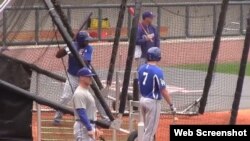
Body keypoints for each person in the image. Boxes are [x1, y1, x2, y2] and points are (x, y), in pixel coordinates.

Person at [53, 31, 106, 125]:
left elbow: (85, 62)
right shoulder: (72, 45)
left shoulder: (89, 48)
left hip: (86, 76)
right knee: (66, 97)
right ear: (80, 40)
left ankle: (105, 118)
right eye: (86, 40)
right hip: (72, 76)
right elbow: (58, 55)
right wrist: (66, 48)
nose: (88, 42)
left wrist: (74, 53)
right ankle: (57, 118)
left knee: (96, 96)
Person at [138, 47, 175, 141]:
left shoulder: (141, 68)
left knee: (146, 129)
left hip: (142, 100)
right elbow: (163, 90)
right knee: (150, 133)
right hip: (152, 102)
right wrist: (171, 105)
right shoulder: (157, 71)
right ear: (158, 57)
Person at [72, 67, 101, 141]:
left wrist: (95, 126)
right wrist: (89, 128)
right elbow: (81, 112)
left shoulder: (86, 91)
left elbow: (91, 112)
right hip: (83, 126)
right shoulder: (79, 93)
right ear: (81, 78)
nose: (91, 78)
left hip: (89, 125)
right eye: (88, 76)